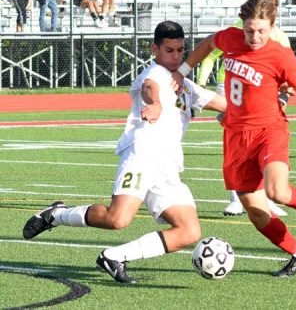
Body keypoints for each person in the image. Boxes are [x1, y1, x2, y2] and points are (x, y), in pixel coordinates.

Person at [173, 0, 296, 277]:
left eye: (261, 31)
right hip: (236, 136)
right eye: (250, 30)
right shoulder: (231, 38)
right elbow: (208, 44)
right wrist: (182, 71)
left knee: (277, 191)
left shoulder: (281, 55)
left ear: (272, 27)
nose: (254, 37)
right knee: (256, 212)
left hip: (269, 130)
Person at [22, 21, 227, 284]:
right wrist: (155, 105)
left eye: (179, 50)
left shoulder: (185, 86)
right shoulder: (153, 74)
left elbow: (227, 105)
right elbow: (149, 88)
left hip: (168, 166)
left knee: (189, 231)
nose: (175, 56)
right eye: (169, 50)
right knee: (117, 219)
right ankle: (57, 215)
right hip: (142, 156)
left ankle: (115, 256)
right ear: (155, 49)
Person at [197, 19, 290, 217]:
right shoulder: (239, 29)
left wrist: (283, 97)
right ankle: (236, 200)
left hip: (263, 88)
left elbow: (285, 70)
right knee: (237, 143)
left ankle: (265, 198)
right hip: (232, 85)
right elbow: (211, 55)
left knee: (264, 145)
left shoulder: (281, 36)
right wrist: (201, 83)